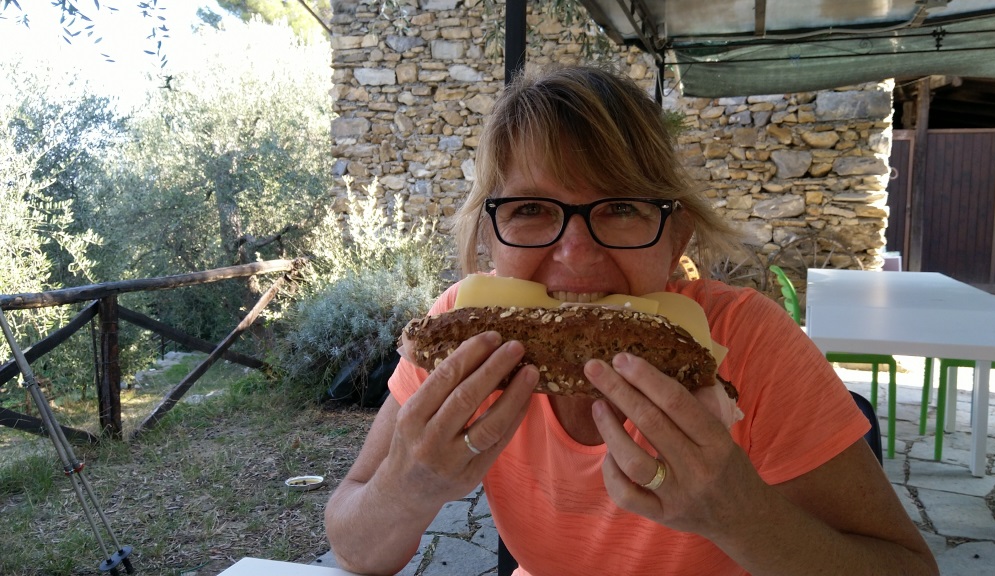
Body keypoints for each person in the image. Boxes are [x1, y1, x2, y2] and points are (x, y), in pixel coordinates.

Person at [324, 64, 938, 575]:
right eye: (532, 208)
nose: (577, 255)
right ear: (490, 236)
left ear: (676, 238)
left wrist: (738, 512)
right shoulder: (463, 332)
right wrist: (407, 487)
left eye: (620, 207)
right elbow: (353, 540)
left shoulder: (745, 342)